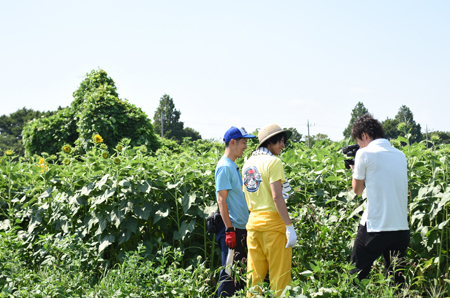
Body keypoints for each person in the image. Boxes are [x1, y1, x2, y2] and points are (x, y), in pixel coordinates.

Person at [349, 113, 410, 287]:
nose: (359, 146)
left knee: (356, 278)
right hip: (401, 229)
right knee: (396, 283)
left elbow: (358, 190)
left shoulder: (364, 153)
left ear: (364, 136)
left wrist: (355, 169)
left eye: (359, 141)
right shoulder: (400, 155)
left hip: (375, 227)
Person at [242, 123, 297, 297]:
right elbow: (277, 197)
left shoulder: (247, 164)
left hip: (253, 225)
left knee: (254, 278)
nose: (283, 145)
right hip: (274, 225)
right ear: (269, 142)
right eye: (280, 141)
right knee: (279, 278)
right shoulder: (273, 162)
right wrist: (289, 226)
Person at [215, 126, 256, 297]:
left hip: (240, 228)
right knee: (228, 276)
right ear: (232, 142)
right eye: (244, 142)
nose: (245, 146)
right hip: (232, 230)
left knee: (237, 276)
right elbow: (221, 200)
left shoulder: (232, 165)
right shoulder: (224, 166)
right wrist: (229, 230)